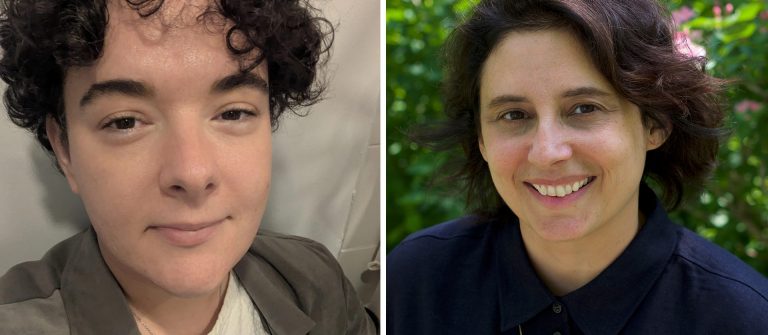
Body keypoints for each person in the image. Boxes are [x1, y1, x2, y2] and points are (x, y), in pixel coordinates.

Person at [387, 0, 768, 334]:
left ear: (656, 123)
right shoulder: (413, 284)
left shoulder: (742, 319)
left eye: (584, 108)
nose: (547, 151)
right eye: (514, 114)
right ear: (481, 140)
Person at [0, 0, 376, 334]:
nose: (193, 174)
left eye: (233, 113)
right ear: (64, 148)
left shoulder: (317, 280)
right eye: (125, 122)